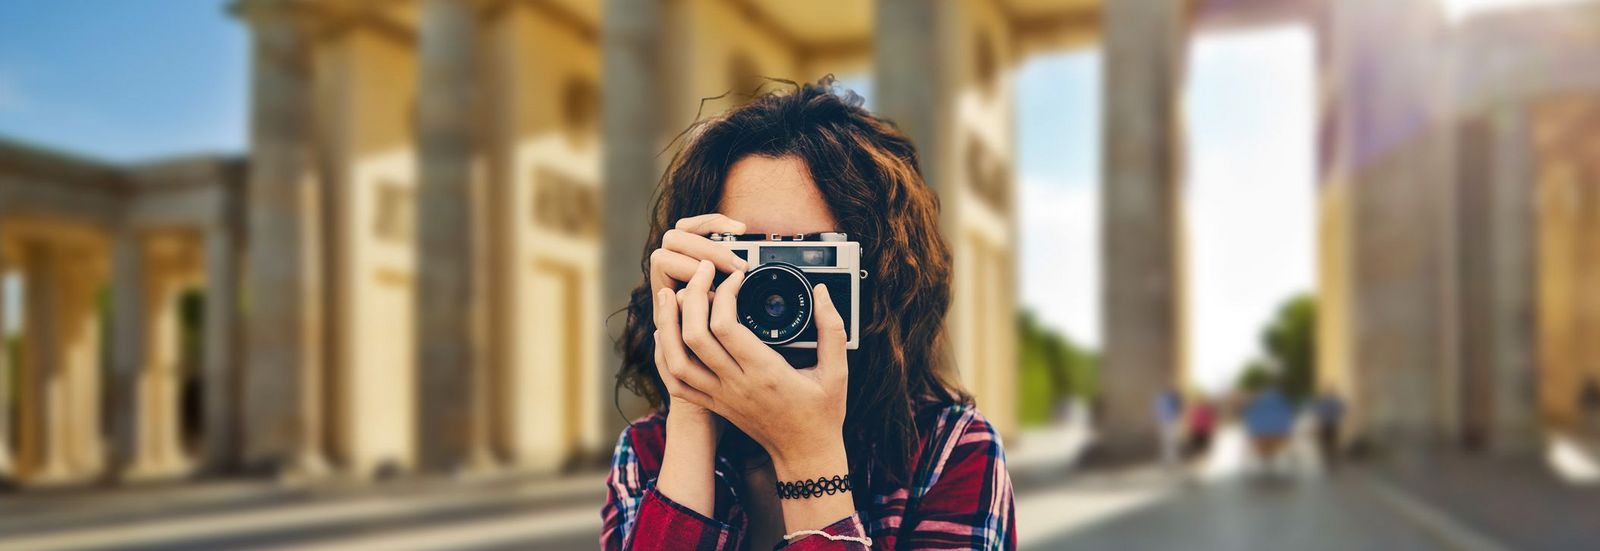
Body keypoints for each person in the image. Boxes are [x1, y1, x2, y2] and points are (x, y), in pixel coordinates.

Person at [600, 78, 1016, 550]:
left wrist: (808, 458)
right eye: (748, 255)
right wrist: (693, 411)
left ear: (876, 276)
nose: (774, 291)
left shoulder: (951, 451)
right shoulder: (649, 453)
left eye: (810, 256)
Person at [1311, 392, 1345, 472]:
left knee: (1327, 442)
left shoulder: (1327, 403)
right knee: (1328, 442)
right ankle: (1330, 459)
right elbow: (1341, 409)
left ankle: (1330, 458)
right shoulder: (1330, 403)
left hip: (1329, 424)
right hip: (1329, 424)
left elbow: (1317, 412)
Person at [1155, 389, 1184, 466]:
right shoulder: (1171, 399)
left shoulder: (1162, 399)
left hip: (1167, 421)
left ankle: (1171, 459)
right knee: (1171, 442)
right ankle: (1171, 459)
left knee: (1169, 442)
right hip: (1169, 421)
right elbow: (1179, 409)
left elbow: (1158, 410)